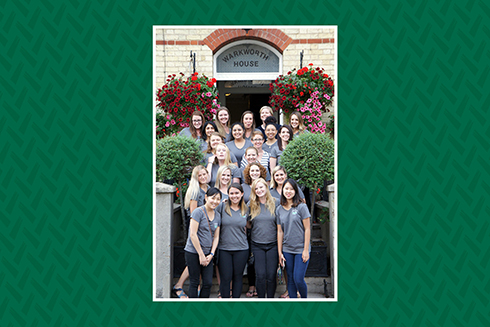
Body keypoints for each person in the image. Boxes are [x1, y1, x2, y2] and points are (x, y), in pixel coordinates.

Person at [172, 165, 210, 298]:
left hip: (206, 228)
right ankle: (179, 285)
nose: (203, 177)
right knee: (194, 257)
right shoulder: (195, 191)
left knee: (200, 258)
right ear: (196, 177)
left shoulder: (209, 189)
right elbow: (194, 213)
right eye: (200, 175)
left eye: (204, 174)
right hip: (196, 226)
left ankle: (194, 286)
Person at [184, 187, 222, 298]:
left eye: (218, 199)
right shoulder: (198, 212)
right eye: (213, 198)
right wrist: (201, 254)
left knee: (208, 283)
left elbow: (216, 236)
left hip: (208, 254)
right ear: (206, 197)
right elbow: (193, 234)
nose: (215, 201)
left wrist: (211, 254)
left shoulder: (218, 216)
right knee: (195, 282)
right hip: (193, 252)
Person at [277, 179, 311, 299]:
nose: (288, 191)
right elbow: (280, 232)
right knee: (290, 279)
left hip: (301, 249)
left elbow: (307, 229)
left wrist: (306, 250)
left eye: (291, 189)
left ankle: (304, 300)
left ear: (295, 191)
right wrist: (280, 252)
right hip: (287, 249)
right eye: (286, 189)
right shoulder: (279, 209)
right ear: (282, 190)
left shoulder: (302, 207)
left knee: (298, 279)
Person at [247, 178, 280, 298]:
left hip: (273, 244)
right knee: (260, 275)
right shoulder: (250, 204)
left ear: (266, 187)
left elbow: (280, 224)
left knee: (271, 275)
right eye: (256, 188)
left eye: (261, 187)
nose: (259, 190)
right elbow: (246, 222)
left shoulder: (276, 202)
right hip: (257, 244)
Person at [217, 183, 249, 298]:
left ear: (242, 194)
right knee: (225, 278)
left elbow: (250, 225)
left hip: (241, 249)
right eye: (231, 193)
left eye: (237, 193)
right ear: (228, 194)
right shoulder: (221, 207)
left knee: (238, 276)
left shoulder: (246, 209)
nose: (234, 196)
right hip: (224, 248)